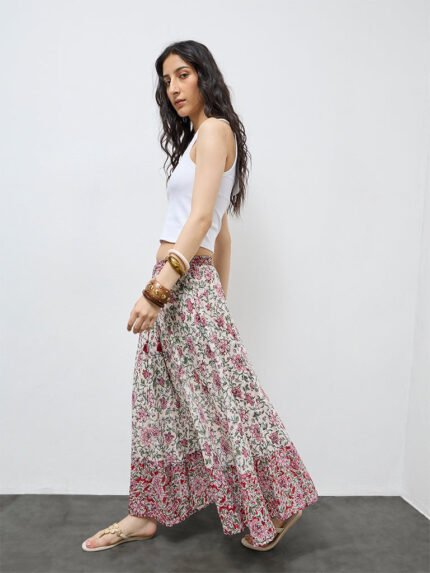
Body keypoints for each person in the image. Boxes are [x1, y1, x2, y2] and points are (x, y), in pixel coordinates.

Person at [82, 39, 318, 553]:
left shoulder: (215, 130)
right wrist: (217, 302)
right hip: (187, 285)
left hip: (178, 283)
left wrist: (158, 292)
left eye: (183, 74)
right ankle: (145, 514)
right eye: (166, 80)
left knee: (226, 398)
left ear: (204, 75)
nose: (173, 88)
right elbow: (223, 233)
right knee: (157, 399)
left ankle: (281, 500)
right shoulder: (200, 139)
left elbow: (203, 220)